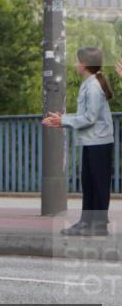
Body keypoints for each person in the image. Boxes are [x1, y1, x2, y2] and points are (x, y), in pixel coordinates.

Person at [44, 47, 115, 236]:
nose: (75, 64)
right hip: (93, 141)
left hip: (99, 142)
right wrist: (63, 120)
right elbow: (87, 115)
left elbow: (90, 118)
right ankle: (88, 222)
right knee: (90, 183)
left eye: (77, 61)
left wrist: (63, 121)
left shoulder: (93, 87)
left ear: (84, 65)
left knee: (97, 184)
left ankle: (97, 225)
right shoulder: (89, 83)